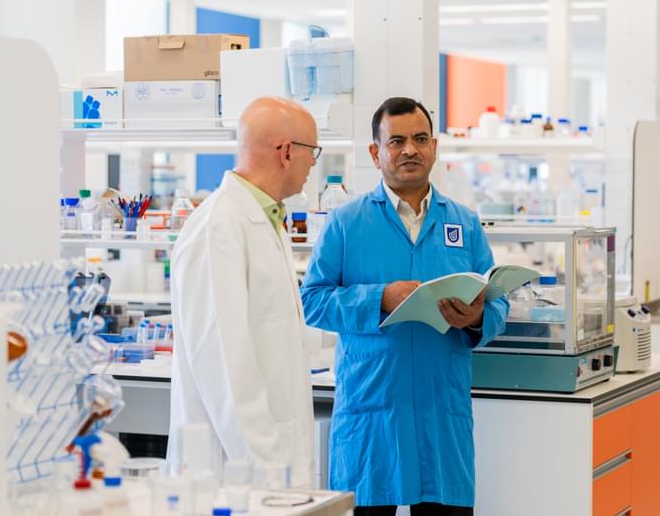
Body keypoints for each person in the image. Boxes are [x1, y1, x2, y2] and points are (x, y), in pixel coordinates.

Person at [300, 97, 510, 514]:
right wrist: (380, 298)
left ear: (434, 147)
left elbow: (496, 299)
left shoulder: (464, 224)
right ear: (376, 153)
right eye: (396, 141)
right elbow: (313, 301)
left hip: (440, 410)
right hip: (373, 410)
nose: (410, 150)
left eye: (419, 139)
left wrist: (478, 317)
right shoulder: (346, 222)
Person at [168, 96, 322, 487]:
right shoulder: (219, 227)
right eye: (312, 152)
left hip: (267, 462)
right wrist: (270, 474)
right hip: (238, 473)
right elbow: (224, 367)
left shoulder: (265, 218)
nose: (312, 165)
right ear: (287, 152)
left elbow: (271, 330)